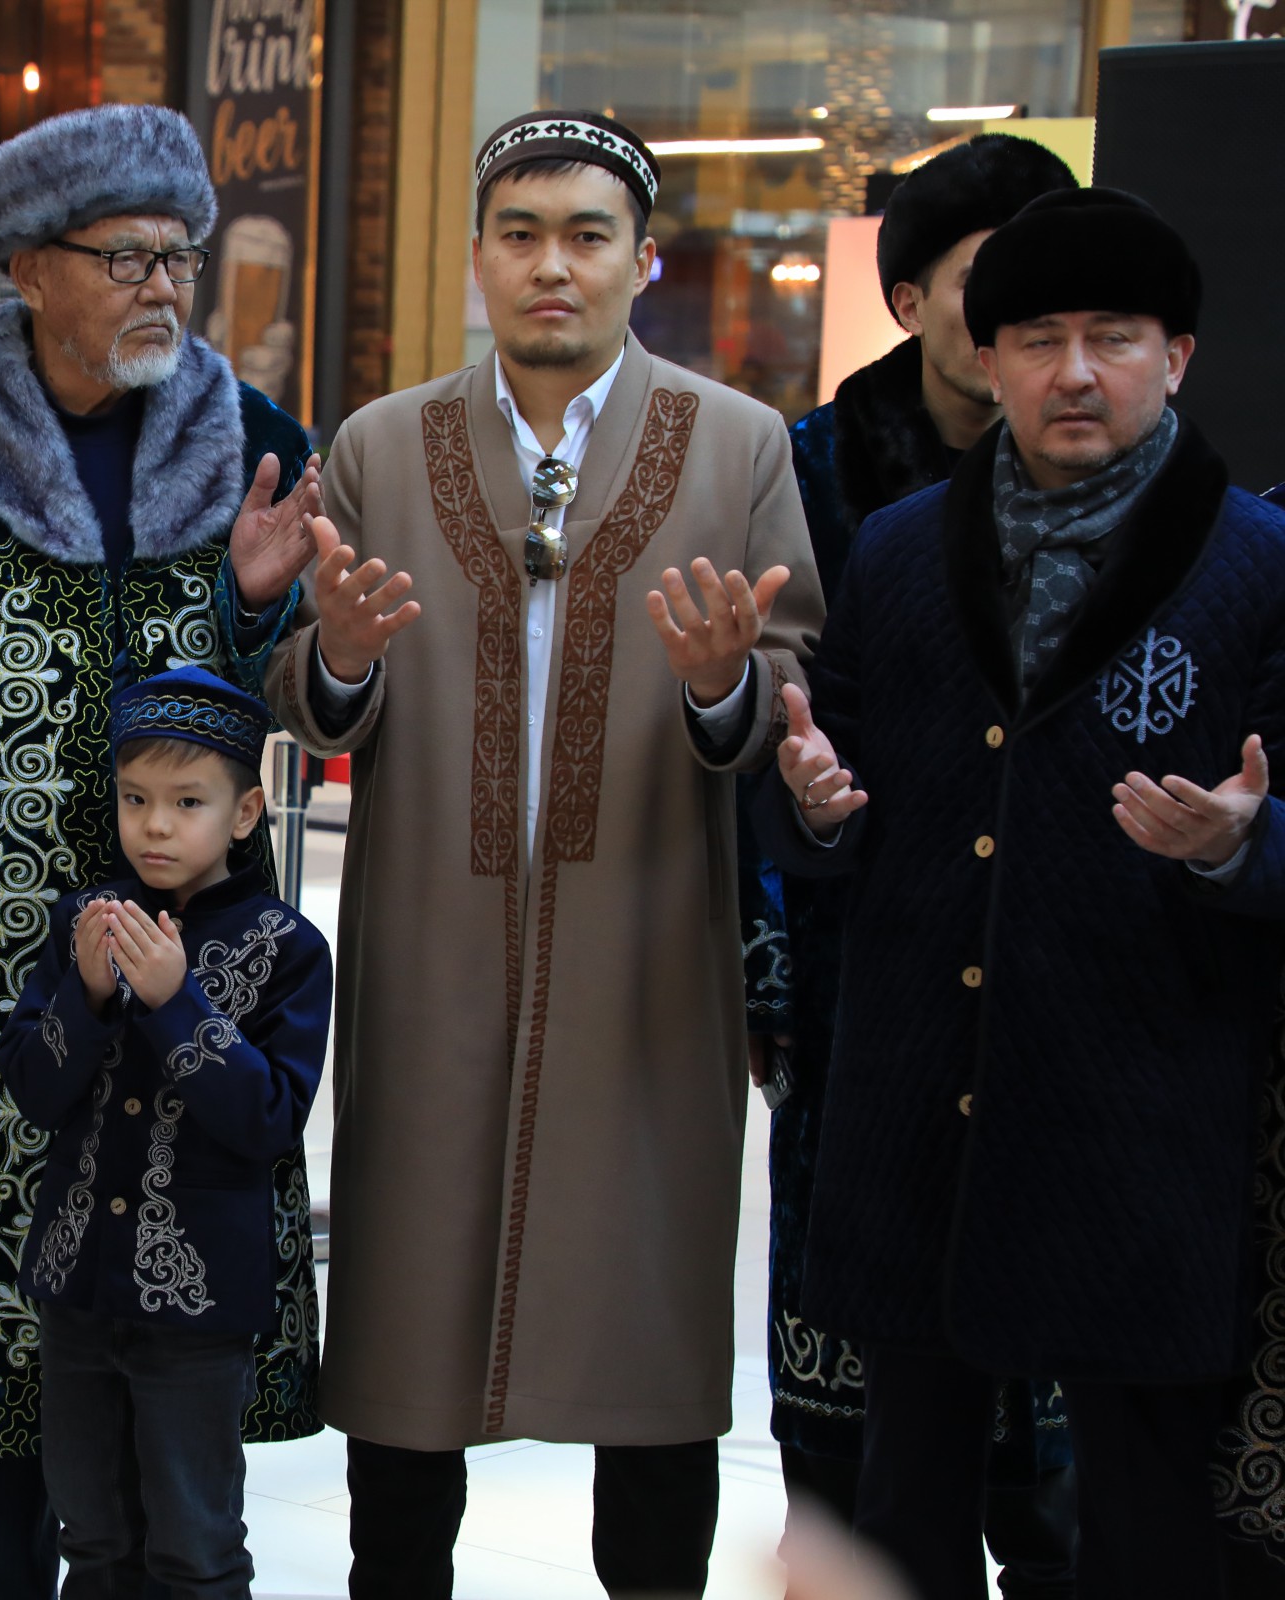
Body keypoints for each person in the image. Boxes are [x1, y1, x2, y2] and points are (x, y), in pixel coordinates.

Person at [265, 111, 822, 1599]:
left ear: (644, 261)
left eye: (587, 236)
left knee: (647, 1320)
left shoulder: (740, 444)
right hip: (430, 949)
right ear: (478, 261)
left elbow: (788, 687)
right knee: (409, 1321)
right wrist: (338, 657)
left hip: (649, 951)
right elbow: (308, 687)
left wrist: (726, 685)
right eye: (520, 236)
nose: (552, 267)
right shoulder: (381, 445)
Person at [0, 103, 324, 1598]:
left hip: (190, 988)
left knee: (170, 1437)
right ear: (25, 267)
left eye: (181, 257)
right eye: (126, 257)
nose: (165, 287)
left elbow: (284, 704)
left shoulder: (255, 447)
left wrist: (269, 612)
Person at [762, 188, 1285, 1599]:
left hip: (1142, 1123)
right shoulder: (898, 548)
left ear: (1177, 356)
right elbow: (822, 784)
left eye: (1113, 338)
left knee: (1146, 1528)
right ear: (986, 360)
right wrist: (810, 802)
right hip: (919, 1107)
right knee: (903, 1513)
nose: (1075, 372)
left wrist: (1239, 843)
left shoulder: (1258, 562)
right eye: (1039, 339)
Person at [755, 134, 1080, 1581]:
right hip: (862, 977)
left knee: (1061, 1465)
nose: (1030, 326)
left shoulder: (1127, 480)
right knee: (860, 1447)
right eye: (989, 284)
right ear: (906, 299)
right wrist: (766, 975)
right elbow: (757, 740)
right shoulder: (809, 470)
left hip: (1057, 990)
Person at [0, 665, 333, 1600]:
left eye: (187, 802)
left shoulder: (288, 948)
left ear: (245, 811)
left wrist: (176, 1002)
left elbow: (269, 1120)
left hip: (197, 1312)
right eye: (135, 798)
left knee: (194, 1544)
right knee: (92, 1536)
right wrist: (88, 994)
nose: (154, 825)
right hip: (76, 1294)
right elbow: (34, 1091)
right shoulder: (84, 922)